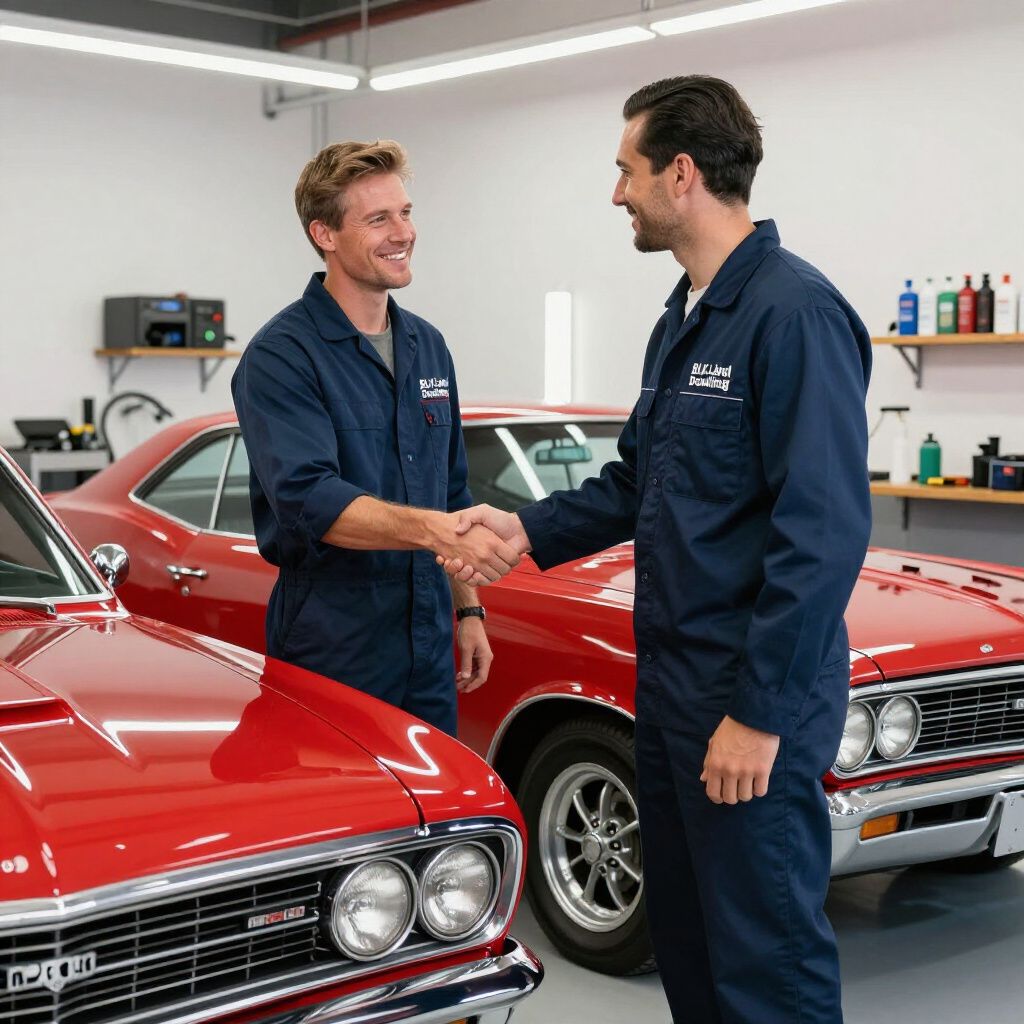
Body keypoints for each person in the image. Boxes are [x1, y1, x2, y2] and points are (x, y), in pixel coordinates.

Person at [441, 77, 871, 1023]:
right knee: (688, 940)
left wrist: (758, 716)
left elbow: (824, 535)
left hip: (746, 699)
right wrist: (524, 530)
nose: (616, 193)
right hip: (670, 693)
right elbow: (641, 484)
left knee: (766, 955)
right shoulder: (682, 319)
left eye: (625, 170)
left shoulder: (794, 315)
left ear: (681, 175)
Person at [232, 140, 519, 737]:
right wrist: (435, 531)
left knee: (435, 813)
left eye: (407, 212)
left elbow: (453, 492)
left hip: (428, 638)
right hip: (334, 642)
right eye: (378, 218)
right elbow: (311, 502)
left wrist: (468, 609)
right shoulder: (282, 356)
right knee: (338, 813)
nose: (403, 232)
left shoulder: (428, 346)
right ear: (325, 234)